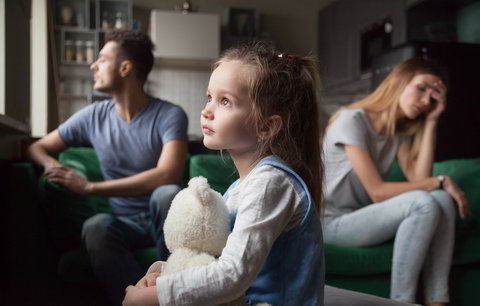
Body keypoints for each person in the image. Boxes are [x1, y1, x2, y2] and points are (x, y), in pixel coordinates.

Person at [122, 43, 325, 305]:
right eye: (209, 97)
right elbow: (215, 259)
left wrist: (158, 295)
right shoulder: (240, 188)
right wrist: (161, 275)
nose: (207, 110)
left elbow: (232, 274)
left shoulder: (270, 184)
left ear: (266, 127)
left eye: (225, 101)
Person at [27, 29, 188, 306]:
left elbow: (168, 174)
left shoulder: (169, 114)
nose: (94, 65)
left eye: (102, 59)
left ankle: (169, 292)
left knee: (167, 194)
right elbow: (36, 147)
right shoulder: (93, 116)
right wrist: (56, 168)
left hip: (163, 220)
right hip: (125, 224)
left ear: (125, 68)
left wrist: (89, 188)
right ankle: (135, 301)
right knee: (96, 225)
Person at [322, 58, 470, 305]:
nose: (426, 101)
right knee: (424, 201)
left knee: (440, 198)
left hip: (360, 219)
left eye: (433, 98)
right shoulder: (352, 120)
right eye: (422, 88)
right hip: (329, 223)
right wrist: (441, 180)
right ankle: (402, 302)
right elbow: (378, 192)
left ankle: (438, 301)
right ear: (399, 81)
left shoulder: (396, 136)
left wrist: (432, 120)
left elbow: (421, 180)